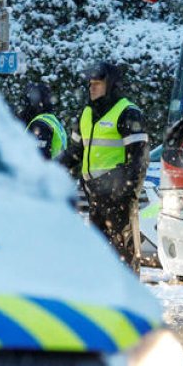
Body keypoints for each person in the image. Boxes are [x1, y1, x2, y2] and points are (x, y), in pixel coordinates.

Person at [61, 61, 149, 272]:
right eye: (90, 83)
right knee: (99, 257)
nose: (91, 88)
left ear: (111, 85)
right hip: (95, 196)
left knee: (122, 257)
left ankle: (126, 302)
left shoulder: (127, 113)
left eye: (97, 83)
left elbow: (139, 160)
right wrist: (47, 168)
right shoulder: (86, 114)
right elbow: (74, 152)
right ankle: (103, 301)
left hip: (118, 198)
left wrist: (127, 193)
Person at [16, 82, 66, 160]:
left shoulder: (40, 125)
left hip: (45, 171)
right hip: (55, 169)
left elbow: (38, 158)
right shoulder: (51, 119)